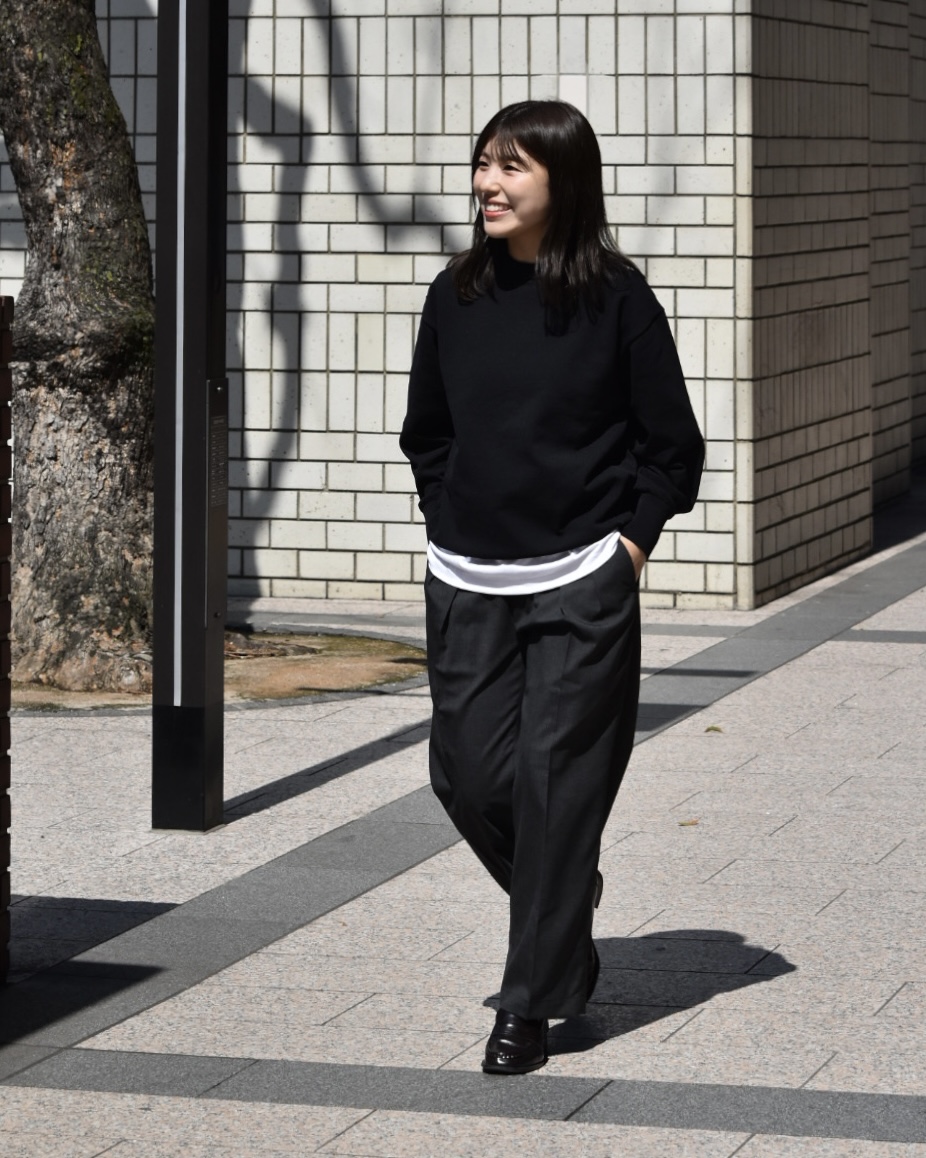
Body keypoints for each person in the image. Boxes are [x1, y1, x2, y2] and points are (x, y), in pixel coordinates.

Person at [400, 101, 704, 1075]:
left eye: (511, 167)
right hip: (467, 576)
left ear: (562, 183)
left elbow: (672, 447)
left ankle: (528, 1009)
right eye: (483, 163)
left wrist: (629, 548)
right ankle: (563, 897)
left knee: (553, 785)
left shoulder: (617, 298)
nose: (486, 184)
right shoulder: (454, 295)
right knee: (466, 777)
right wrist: (446, 515)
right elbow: (426, 432)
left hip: (581, 578)